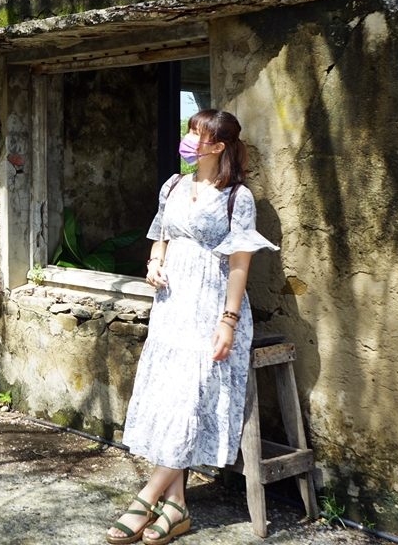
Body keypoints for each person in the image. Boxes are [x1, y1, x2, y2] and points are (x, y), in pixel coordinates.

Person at [105, 109, 279, 545]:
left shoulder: (239, 198)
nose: (188, 139)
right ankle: (177, 505)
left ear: (217, 146)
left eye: (196, 134)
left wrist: (229, 320)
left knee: (191, 396)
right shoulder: (174, 184)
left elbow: (240, 262)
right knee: (170, 395)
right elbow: (161, 233)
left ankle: (146, 496)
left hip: (211, 304)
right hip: (171, 304)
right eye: (188, 130)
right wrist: (155, 262)